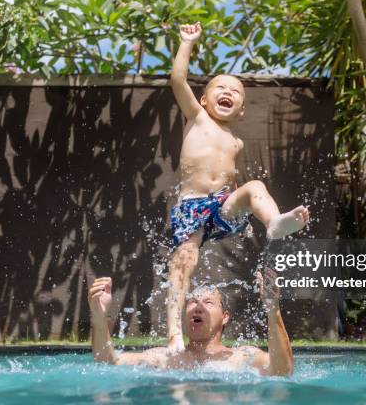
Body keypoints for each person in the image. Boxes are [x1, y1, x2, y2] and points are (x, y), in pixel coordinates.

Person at [166, 22, 310, 352]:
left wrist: (240, 204)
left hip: (221, 205)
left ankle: (273, 222)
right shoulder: (196, 118)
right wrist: (187, 42)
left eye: (235, 92)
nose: (227, 93)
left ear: (242, 109)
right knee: (184, 260)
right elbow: (177, 79)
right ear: (202, 100)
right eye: (220, 88)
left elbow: (230, 181)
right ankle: (175, 332)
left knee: (254, 185)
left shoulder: (237, 141)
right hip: (192, 206)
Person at [88, 270, 294, 376]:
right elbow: (108, 363)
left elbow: (283, 370)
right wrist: (98, 316)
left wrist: (273, 310)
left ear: (225, 317)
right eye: (192, 302)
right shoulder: (166, 358)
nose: (197, 307)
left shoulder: (243, 357)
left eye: (208, 302)